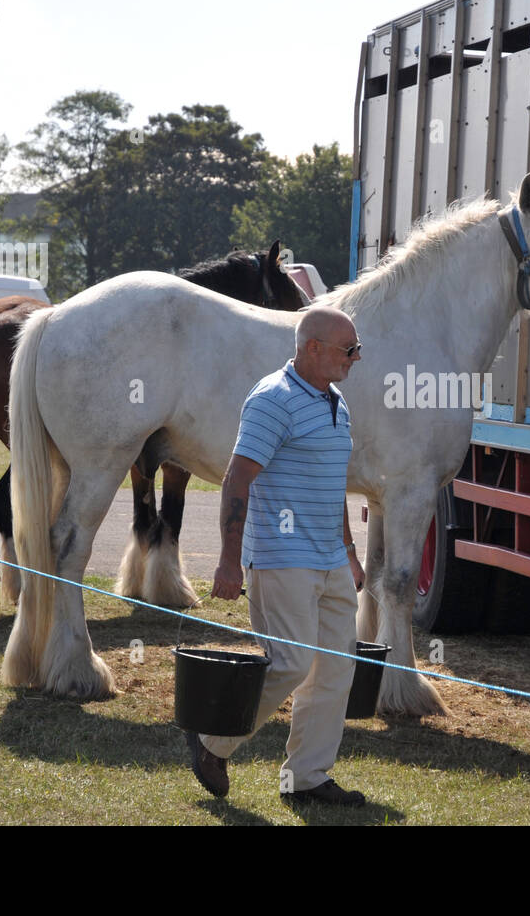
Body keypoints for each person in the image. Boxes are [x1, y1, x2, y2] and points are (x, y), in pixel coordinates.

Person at [185, 305, 368, 806]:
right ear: (312, 348)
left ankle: (305, 778)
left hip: (331, 558)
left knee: (335, 670)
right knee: (290, 663)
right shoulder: (272, 399)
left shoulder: (338, 401)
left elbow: (334, 487)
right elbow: (237, 478)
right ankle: (211, 742)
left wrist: (350, 552)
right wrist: (227, 560)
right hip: (281, 555)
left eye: (357, 348)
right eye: (348, 349)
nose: (356, 358)